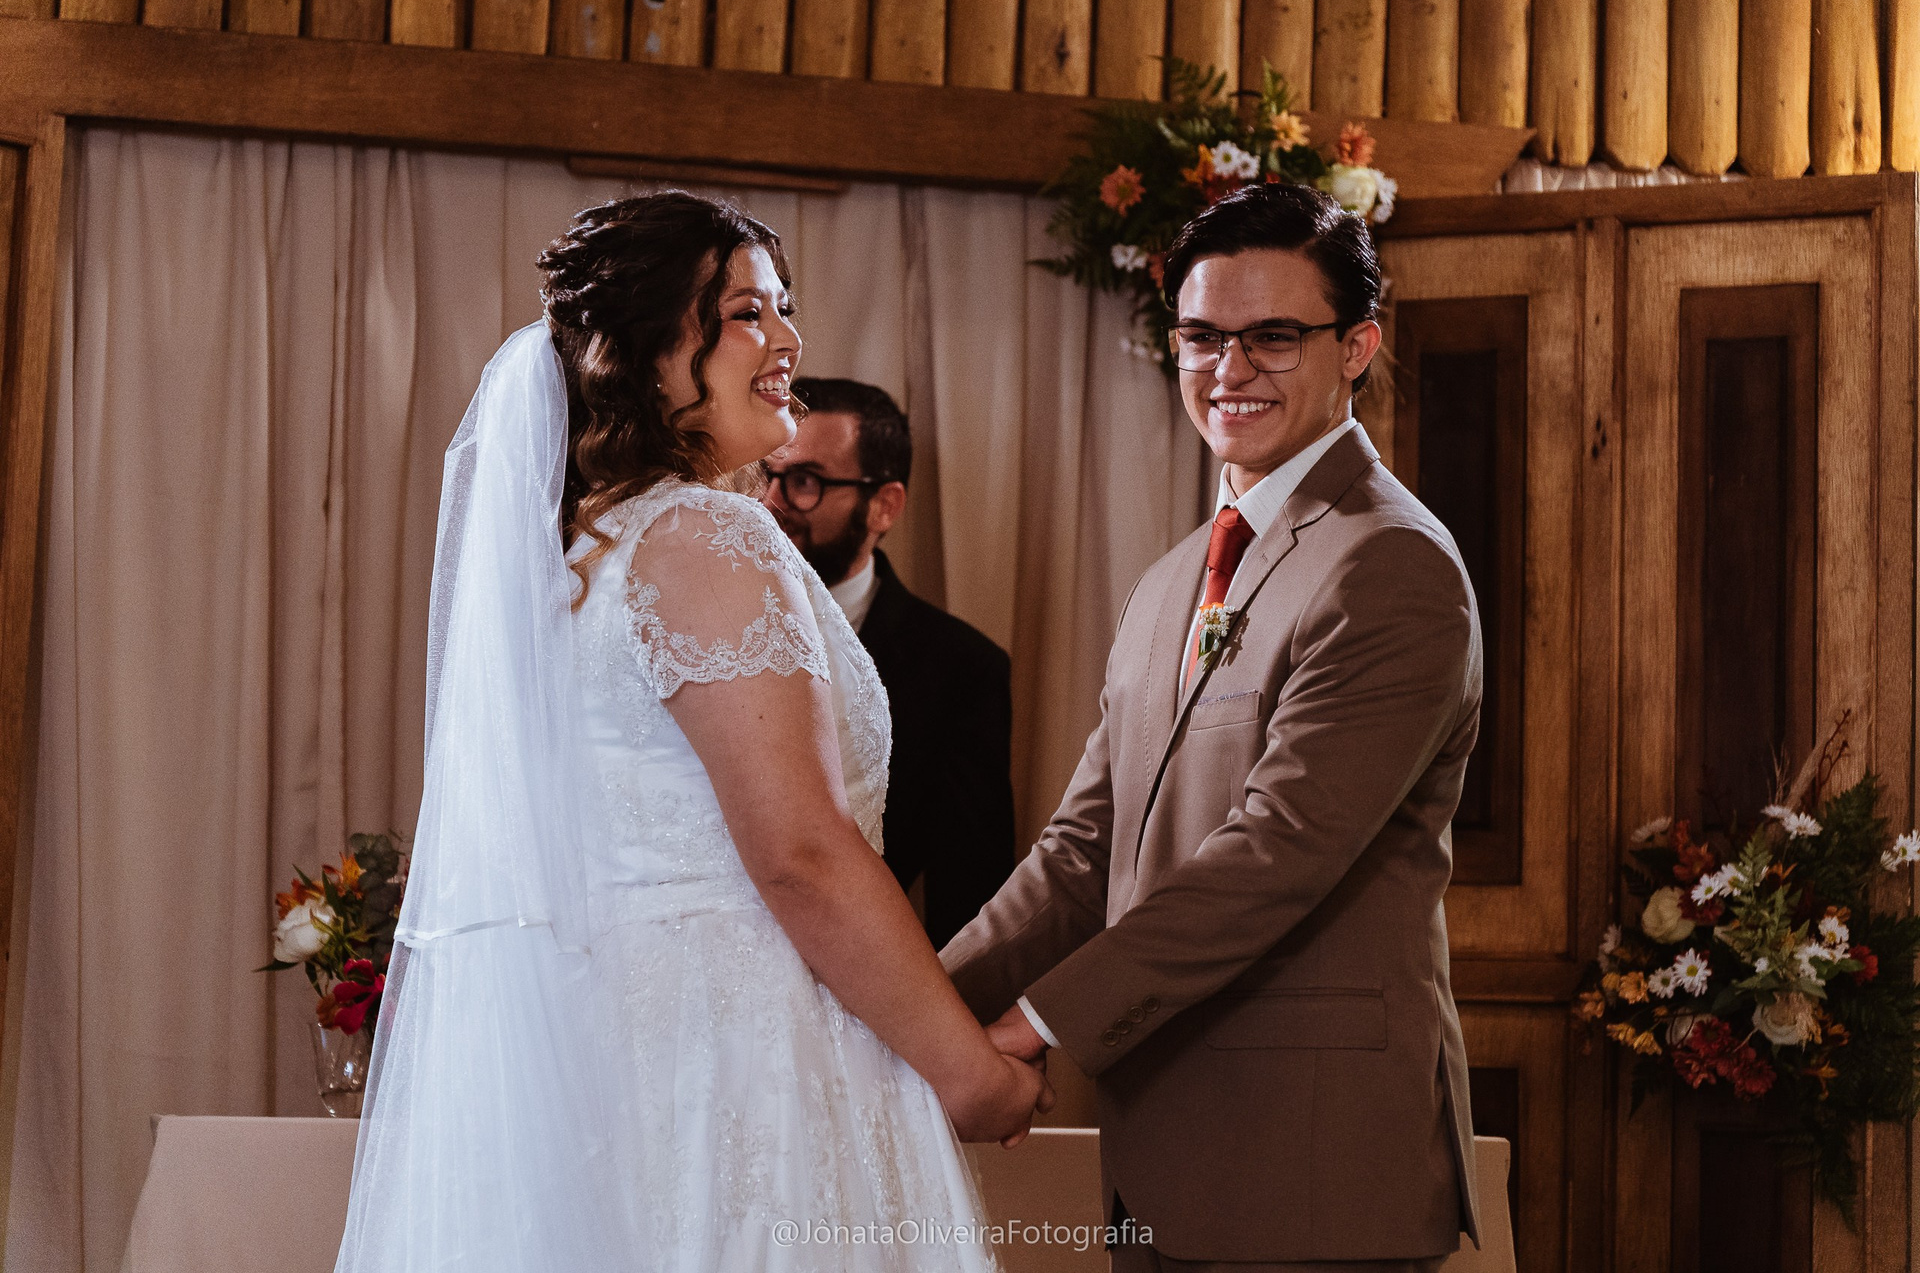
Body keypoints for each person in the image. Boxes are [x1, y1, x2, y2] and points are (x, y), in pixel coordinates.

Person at [334, 190, 1049, 1273]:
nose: (788, 341)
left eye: (785, 308)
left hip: (607, 1064)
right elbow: (800, 854)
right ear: (651, 353)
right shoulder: (707, 535)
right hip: (740, 1068)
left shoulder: (582, 553)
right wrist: (970, 1074)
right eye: (748, 314)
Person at [940, 182, 1485, 1271]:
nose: (1229, 369)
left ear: (1357, 347)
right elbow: (1083, 849)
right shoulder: (1173, 577)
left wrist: (1037, 1024)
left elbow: (1277, 854)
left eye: (1273, 336)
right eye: (1201, 336)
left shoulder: (1391, 562)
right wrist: (918, 1009)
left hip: (1312, 1167)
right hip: (1161, 1153)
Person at [760, 378, 1017, 947]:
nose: (771, 502)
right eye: (764, 475)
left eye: (805, 481)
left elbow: (968, 891)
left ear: (884, 506)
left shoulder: (961, 670)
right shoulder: (694, 623)